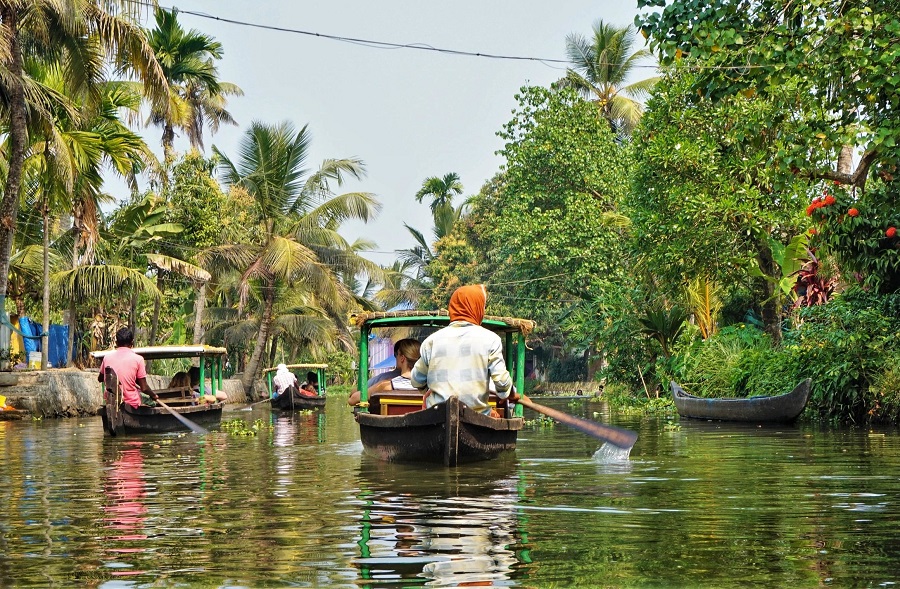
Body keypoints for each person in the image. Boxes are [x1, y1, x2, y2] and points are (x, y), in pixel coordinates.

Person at [410, 285, 519, 415]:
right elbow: (502, 383)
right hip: (477, 419)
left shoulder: (431, 341)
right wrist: (509, 394)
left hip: (437, 416)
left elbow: (416, 379)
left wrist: (427, 391)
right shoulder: (491, 340)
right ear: (477, 308)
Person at [97, 327, 159, 408]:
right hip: (130, 400)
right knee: (153, 403)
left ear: (116, 343)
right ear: (132, 343)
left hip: (110, 401)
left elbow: (100, 379)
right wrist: (153, 396)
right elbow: (144, 388)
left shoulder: (106, 358)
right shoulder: (138, 359)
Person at [348, 338, 421, 406]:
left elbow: (352, 400)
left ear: (402, 358)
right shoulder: (429, 386)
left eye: (397, 354)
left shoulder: (386, 385)